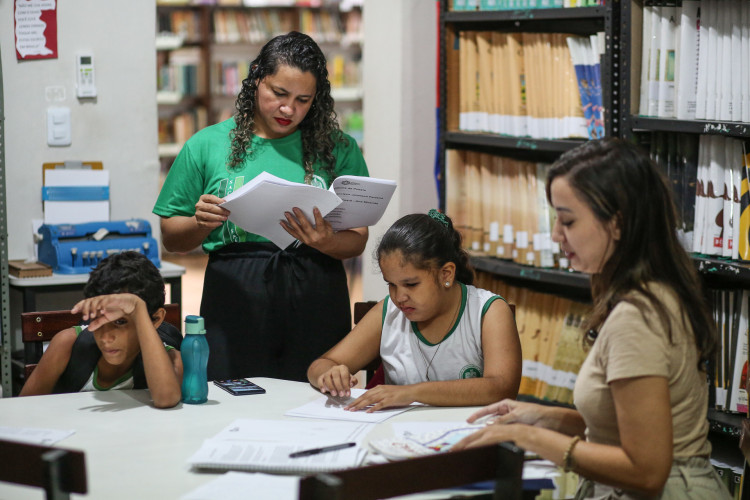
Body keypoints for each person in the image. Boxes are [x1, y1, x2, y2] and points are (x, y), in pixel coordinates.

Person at [453, 138, 731, 499]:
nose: (556, 235)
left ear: (617, 223)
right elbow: (622, 427)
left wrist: (530, 437)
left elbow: (647, 470)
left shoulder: (638, 318)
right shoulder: (649, 294)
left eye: (567, 220)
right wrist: (543, 417)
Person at [153, 31, 369, 382]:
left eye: (303, 99)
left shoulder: (339, 149)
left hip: (316, 288)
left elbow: (358, 238)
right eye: (279, 94)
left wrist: (324, 240)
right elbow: (172, 239)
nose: (289, 109)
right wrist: (200, 223)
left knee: (313, 400)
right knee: (233, 394)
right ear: (256, 78)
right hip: (235, 292)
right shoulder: (206, 145)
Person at [307, 210, 522, 411]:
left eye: (411, 284)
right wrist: (329, 374)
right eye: (391, 284)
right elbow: (320, 365)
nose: (399, 297)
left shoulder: (488, 311)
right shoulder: (389, 311)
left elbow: (501, 387)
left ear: (446, 274)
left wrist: (412, 393)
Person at [20, 252, 184, 409]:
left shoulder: (170, 359)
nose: (106, 337)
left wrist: (138, 308)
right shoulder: (67, 344)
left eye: (120, 322)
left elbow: (166, 399)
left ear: (155, 319)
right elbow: (24, 408)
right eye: (98, 320)